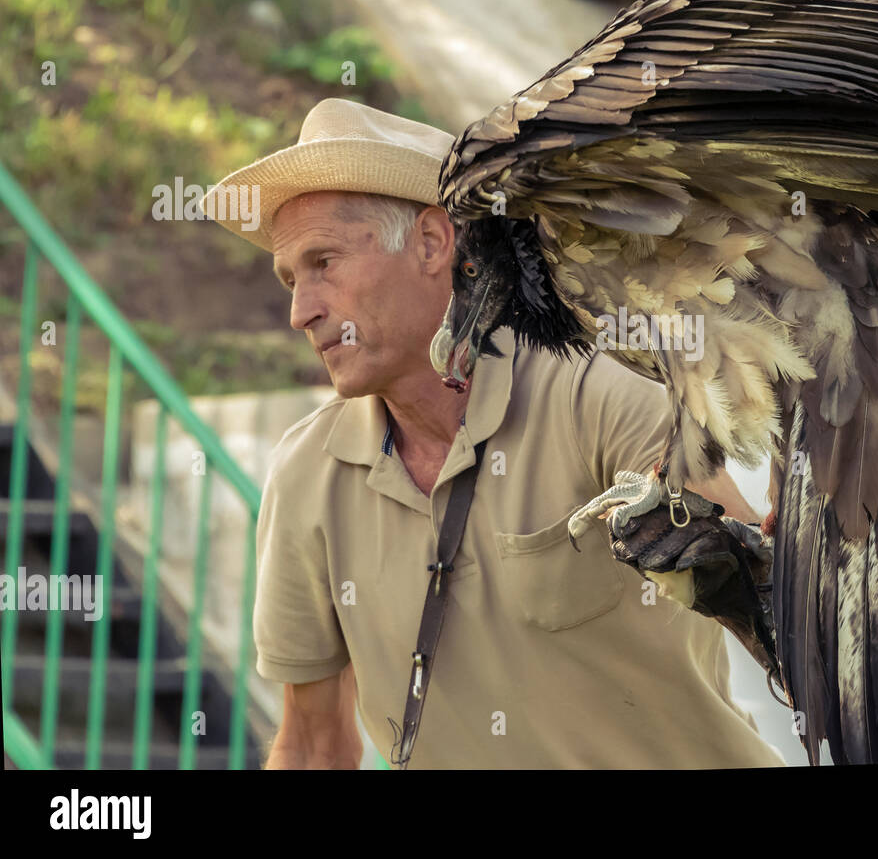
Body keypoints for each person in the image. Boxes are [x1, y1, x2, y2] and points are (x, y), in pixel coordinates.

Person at [202, 97, 786, 768]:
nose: (301, 310)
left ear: (431, 242)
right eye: (289, 279)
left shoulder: (605, 394)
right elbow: (310, 747)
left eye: (323, 262)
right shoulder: (307, 475)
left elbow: (771, 614)